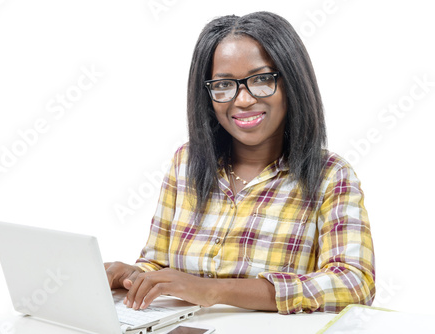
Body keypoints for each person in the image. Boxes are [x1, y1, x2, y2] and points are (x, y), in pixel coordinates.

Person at [105, 11, 375, 314]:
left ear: (292, 83)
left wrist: (216, 291)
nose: (243, 100)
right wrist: (134, 277)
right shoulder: (186, 162)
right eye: (223, 85)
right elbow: (158, 263)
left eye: (261, 79)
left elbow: (354, 284)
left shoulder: (330, 175)